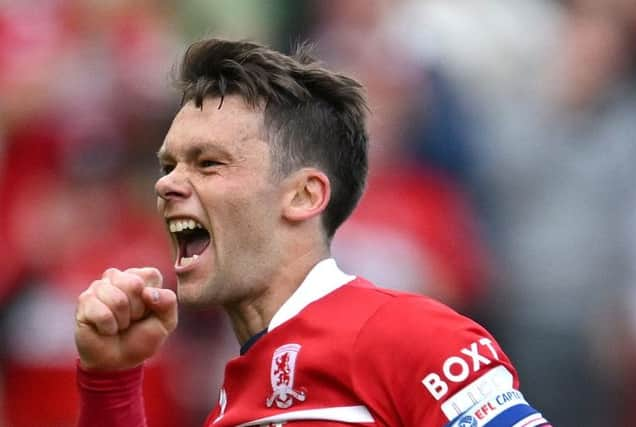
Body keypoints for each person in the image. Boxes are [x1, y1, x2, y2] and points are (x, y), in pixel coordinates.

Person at [74, 38, 551, 427]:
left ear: (304, 196)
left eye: (208, 163)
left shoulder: (408, 336)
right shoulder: (227, 410)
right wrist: (111, 381)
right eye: (169, 164)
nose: (167, 183)